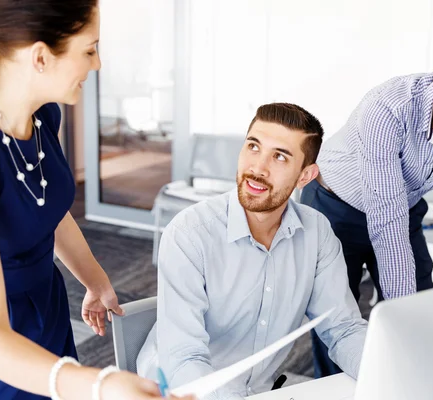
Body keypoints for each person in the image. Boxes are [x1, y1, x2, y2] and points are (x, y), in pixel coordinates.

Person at [0, 1, 193, 399]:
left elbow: (46, 208)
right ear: (41, 57)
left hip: (49, 313)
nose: (97, 65)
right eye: (89, 50)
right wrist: (101, 384)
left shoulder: (43, 118)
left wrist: (94, 278)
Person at [135, 103, 368, 399]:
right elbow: (184, 359)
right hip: (178, 391)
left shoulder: (316, 233)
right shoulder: (189, 234)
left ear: (305, 176)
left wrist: (387, 374)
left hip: (257, 391)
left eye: (280, 157)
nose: (257, 168)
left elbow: (343, 328)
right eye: (253, 147)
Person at [300, 25, 433, 378]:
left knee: (420, 299)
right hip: (334, 205)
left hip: (405, 203)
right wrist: (404, 316)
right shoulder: (388, 107)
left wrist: (411, 321)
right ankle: (338, 389)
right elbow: (386, 221)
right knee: (336, 314)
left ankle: (406, 379)